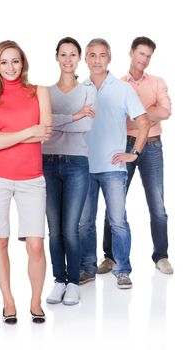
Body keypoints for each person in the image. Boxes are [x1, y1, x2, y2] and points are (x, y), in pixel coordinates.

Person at [0, 40, 51, 324]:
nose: (10, 67)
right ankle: (8, 301)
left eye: (15, 61)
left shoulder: (39, 93)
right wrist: (28, 130)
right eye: (4, 62)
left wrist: (8, 136)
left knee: (35, 244)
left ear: (23, 63)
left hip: (32, 178)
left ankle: (35, 301)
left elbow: (45, 133)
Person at [99, 36, 173, 275]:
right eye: (141, 54)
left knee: (157, 205)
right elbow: (118, 118)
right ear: (131, 53)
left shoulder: (158, 82)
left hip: (152, 147)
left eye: (148, 56)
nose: (144, 59)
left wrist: (138, 113)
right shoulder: (118, 85)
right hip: (125, 145)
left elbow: (166, 111)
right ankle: (109, 257)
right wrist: (148, 113)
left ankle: (161, 256)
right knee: (115, 203)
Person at [79, 38, 150, 289]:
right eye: (92, 55)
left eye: (101, 55)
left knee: (117, 220)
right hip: (84, 167)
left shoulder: (123, 89)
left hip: (113, 168)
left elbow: (144, 122)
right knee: (84, 222)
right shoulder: (80, 88)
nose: (96, 60)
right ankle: (87, 268)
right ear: (85, 59)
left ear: (109, 58)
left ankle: (122, 269)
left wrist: (135, 153)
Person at [42, 37, 95, 305]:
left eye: (73, 55)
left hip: (76, 163)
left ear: (79, 59)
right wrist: (74, 117)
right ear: (56, 57)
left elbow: (86, 128)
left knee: (70, 228)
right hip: (47, 163)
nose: (67, 59)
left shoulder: (88, 91)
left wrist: (56, 123)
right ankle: (59, 281)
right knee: (54, 230)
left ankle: (73, 281)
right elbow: (44, 126)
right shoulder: (45, 92)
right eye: (63, 54)